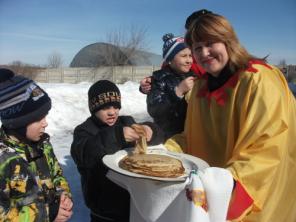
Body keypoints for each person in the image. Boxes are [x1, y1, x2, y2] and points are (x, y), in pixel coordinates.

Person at [165, 9, 296, 221]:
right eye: (197, 48)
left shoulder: (258, 79)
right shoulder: (200, 88)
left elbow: (269, 146)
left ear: (228, 41)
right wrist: (165, 151)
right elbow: (191, 137)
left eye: (210, 43)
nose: (204, 53)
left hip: (257, 194)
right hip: (213, 193)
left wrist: (226, 183)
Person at [70, 80, 164, 222]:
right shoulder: (85, 130)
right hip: (103, 207)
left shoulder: (126, 121)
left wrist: (150, 130)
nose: (112, 112)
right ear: (93, 108)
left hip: (132, 201)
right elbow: (83, 154)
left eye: (115, 106)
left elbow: (159, 135)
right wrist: (117, 136)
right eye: (105, 108)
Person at [0, 68, 73, 221]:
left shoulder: (42, 145)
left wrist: (63, 196)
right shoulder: (3, 161)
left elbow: (57, 175)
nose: (45, 123)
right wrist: (48, 213)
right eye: (38, 118)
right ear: (18, 122)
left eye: (45, 116)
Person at [146, 33, 196, 140]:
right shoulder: (159, 79)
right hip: (168, 136)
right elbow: (154, 110)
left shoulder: (194, 76)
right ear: (170, 59)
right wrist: (177, 91)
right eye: (183, 56)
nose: (189, 60)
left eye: (190, 55)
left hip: (190, 134)